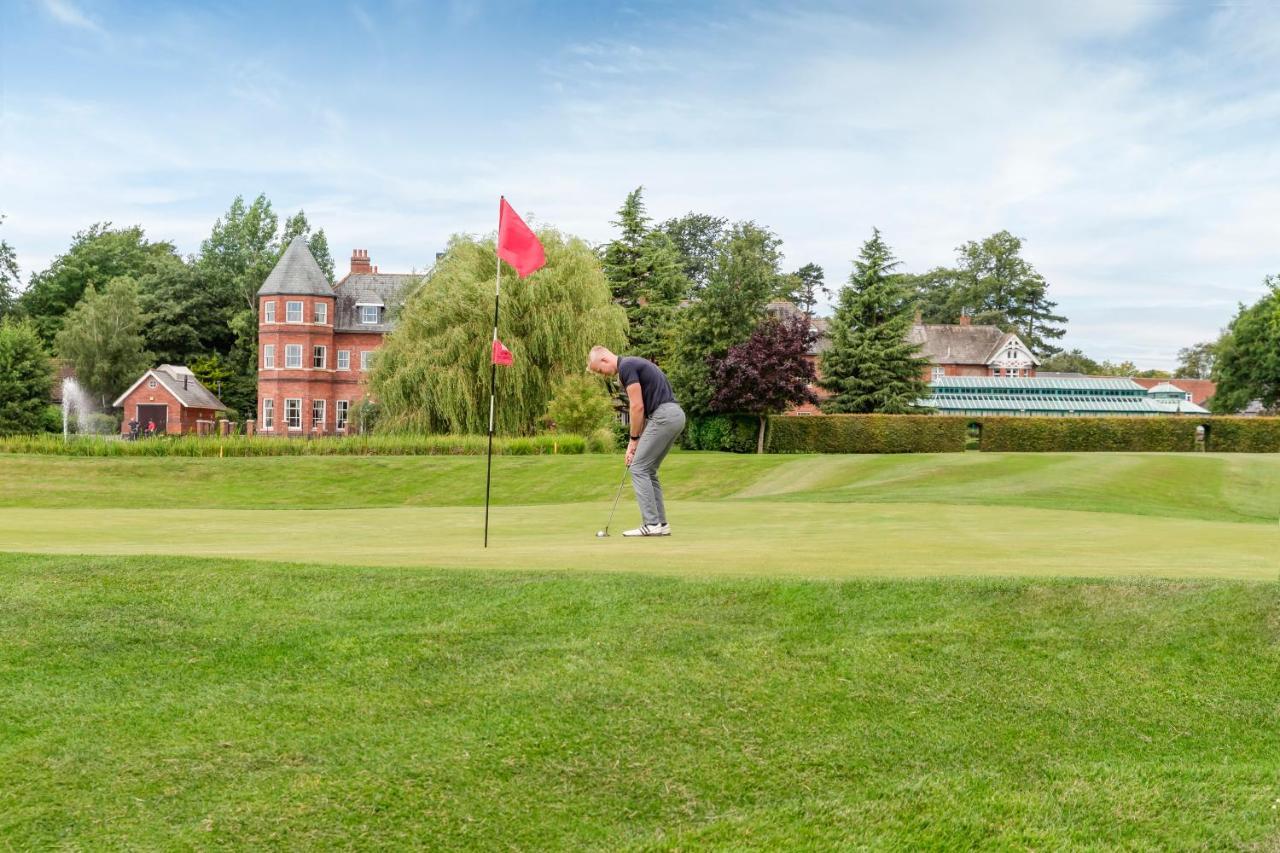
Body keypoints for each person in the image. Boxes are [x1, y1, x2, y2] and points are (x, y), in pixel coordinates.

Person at [587, 346, 686, 537]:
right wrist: (637, 442)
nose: (603, 375)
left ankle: (651, 523)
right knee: (648, 469)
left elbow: (637, 406)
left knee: (638, 468)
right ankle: (661, 523)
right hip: (674, 415)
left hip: (664, 416)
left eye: (600, 370)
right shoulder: (633, 364)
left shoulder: (626, 367)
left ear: (605, 359)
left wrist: (633, 441)